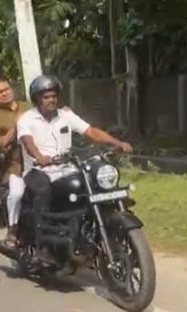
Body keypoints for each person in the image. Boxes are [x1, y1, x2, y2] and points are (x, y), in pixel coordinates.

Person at [12, 75, 133, 253]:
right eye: (46, 97)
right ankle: (41, 243)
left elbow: (90, 131)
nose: (51, 100)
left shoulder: (66, 116)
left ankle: (88, 231)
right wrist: (39, 156)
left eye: (53, 96)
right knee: (42, 189)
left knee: (90, 183)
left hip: (67, 168)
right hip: (38, 170)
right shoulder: (26, 119)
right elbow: (27, 142)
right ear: (37, 99)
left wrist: (117, 143)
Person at [0, 73, 30, 226]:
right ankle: (12, 233)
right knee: (16, 195)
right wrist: (15, 129)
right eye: (0, 92)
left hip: (41, 161)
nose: (5, 93)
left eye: (6, 89)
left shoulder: (29, 106)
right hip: (15, 169)